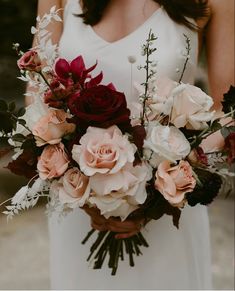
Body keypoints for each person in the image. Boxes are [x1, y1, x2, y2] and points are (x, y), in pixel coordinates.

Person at [34, 0, 234, 289]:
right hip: (80, 207)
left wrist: (156, 194)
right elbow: (36, 85)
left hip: (169, 210)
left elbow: (226, 111)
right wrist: (72, 178)